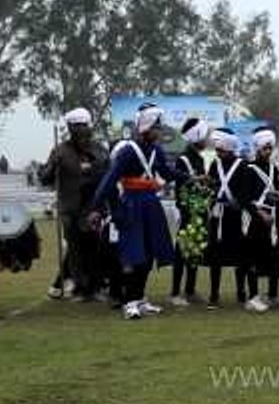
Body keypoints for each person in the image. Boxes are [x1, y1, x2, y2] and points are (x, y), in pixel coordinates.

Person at [88, 102, 191, 320]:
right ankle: (129, 302)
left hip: (151, 205)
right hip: (132, 206)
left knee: (150, 253)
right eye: (157, 127)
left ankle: (141, 300)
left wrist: (191, 178)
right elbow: (109, 181)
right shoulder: (128, 152)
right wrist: (96, 208)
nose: (160, 131)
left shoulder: (157, 151)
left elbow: (166, 172)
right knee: (136, 256)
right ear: (146, 127)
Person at [39, 108, 110, 302]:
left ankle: (95, 287)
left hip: (93, 208)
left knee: (94, 248)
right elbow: (45, 178)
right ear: (71, 129)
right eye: (77, 128)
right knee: (76, 250)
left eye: (84, 127)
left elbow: (108, 170)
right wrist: (52, 167)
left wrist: (93, 165)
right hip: (70, 208)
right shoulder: (60, 151)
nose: (82, 131)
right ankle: (80, 288)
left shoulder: (99, 149)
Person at [204, 128, 255, 311]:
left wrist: (237, 204)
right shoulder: (214, 165)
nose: (218, 153)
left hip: (235, 217)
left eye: (221, 150)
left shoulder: (242, 166)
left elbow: (246, 192)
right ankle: (214, 295)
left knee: (240, 256)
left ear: (230, 148)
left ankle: (241, 292)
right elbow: (210, 188)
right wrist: (211, 199)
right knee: (215, 257)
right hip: (218, 216)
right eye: (217, 150)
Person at [241, 126, 279, 309]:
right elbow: (244, 198)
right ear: (257, 148)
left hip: (272, 217)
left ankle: (273, 295)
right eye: (264, 148)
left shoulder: (275, 170)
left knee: (273, 256)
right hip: (254, 219)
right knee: (253, 257)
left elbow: (276, 193)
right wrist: (259, 213)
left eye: (270, 148)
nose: (268, 151)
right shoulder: (249, 169)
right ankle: (253, 297)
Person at [169, 118, 210, 307]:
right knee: (181, 252)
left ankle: (190, 291)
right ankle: (175, 293)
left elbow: (201, 185)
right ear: (197, 137)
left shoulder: (200, 159)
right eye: (205, 136)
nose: (207, 140)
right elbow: (180, 188)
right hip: (186, 212)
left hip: (200, 211)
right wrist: (187, 209)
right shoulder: (182, 160)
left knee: (195, 251)